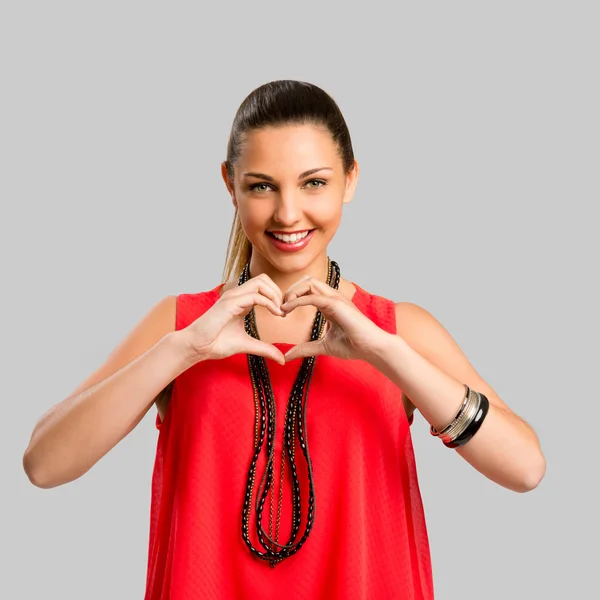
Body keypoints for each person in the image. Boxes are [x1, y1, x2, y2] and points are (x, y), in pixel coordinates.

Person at [23, 80, 546, 599]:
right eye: (262, 186)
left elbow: (524, 469)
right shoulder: (182, 325)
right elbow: (43, 465)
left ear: (350, 179)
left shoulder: (396, 330)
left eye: (313, 183)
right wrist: (183, 350)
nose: (288, 214)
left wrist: (387, 354)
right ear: (230, 184)